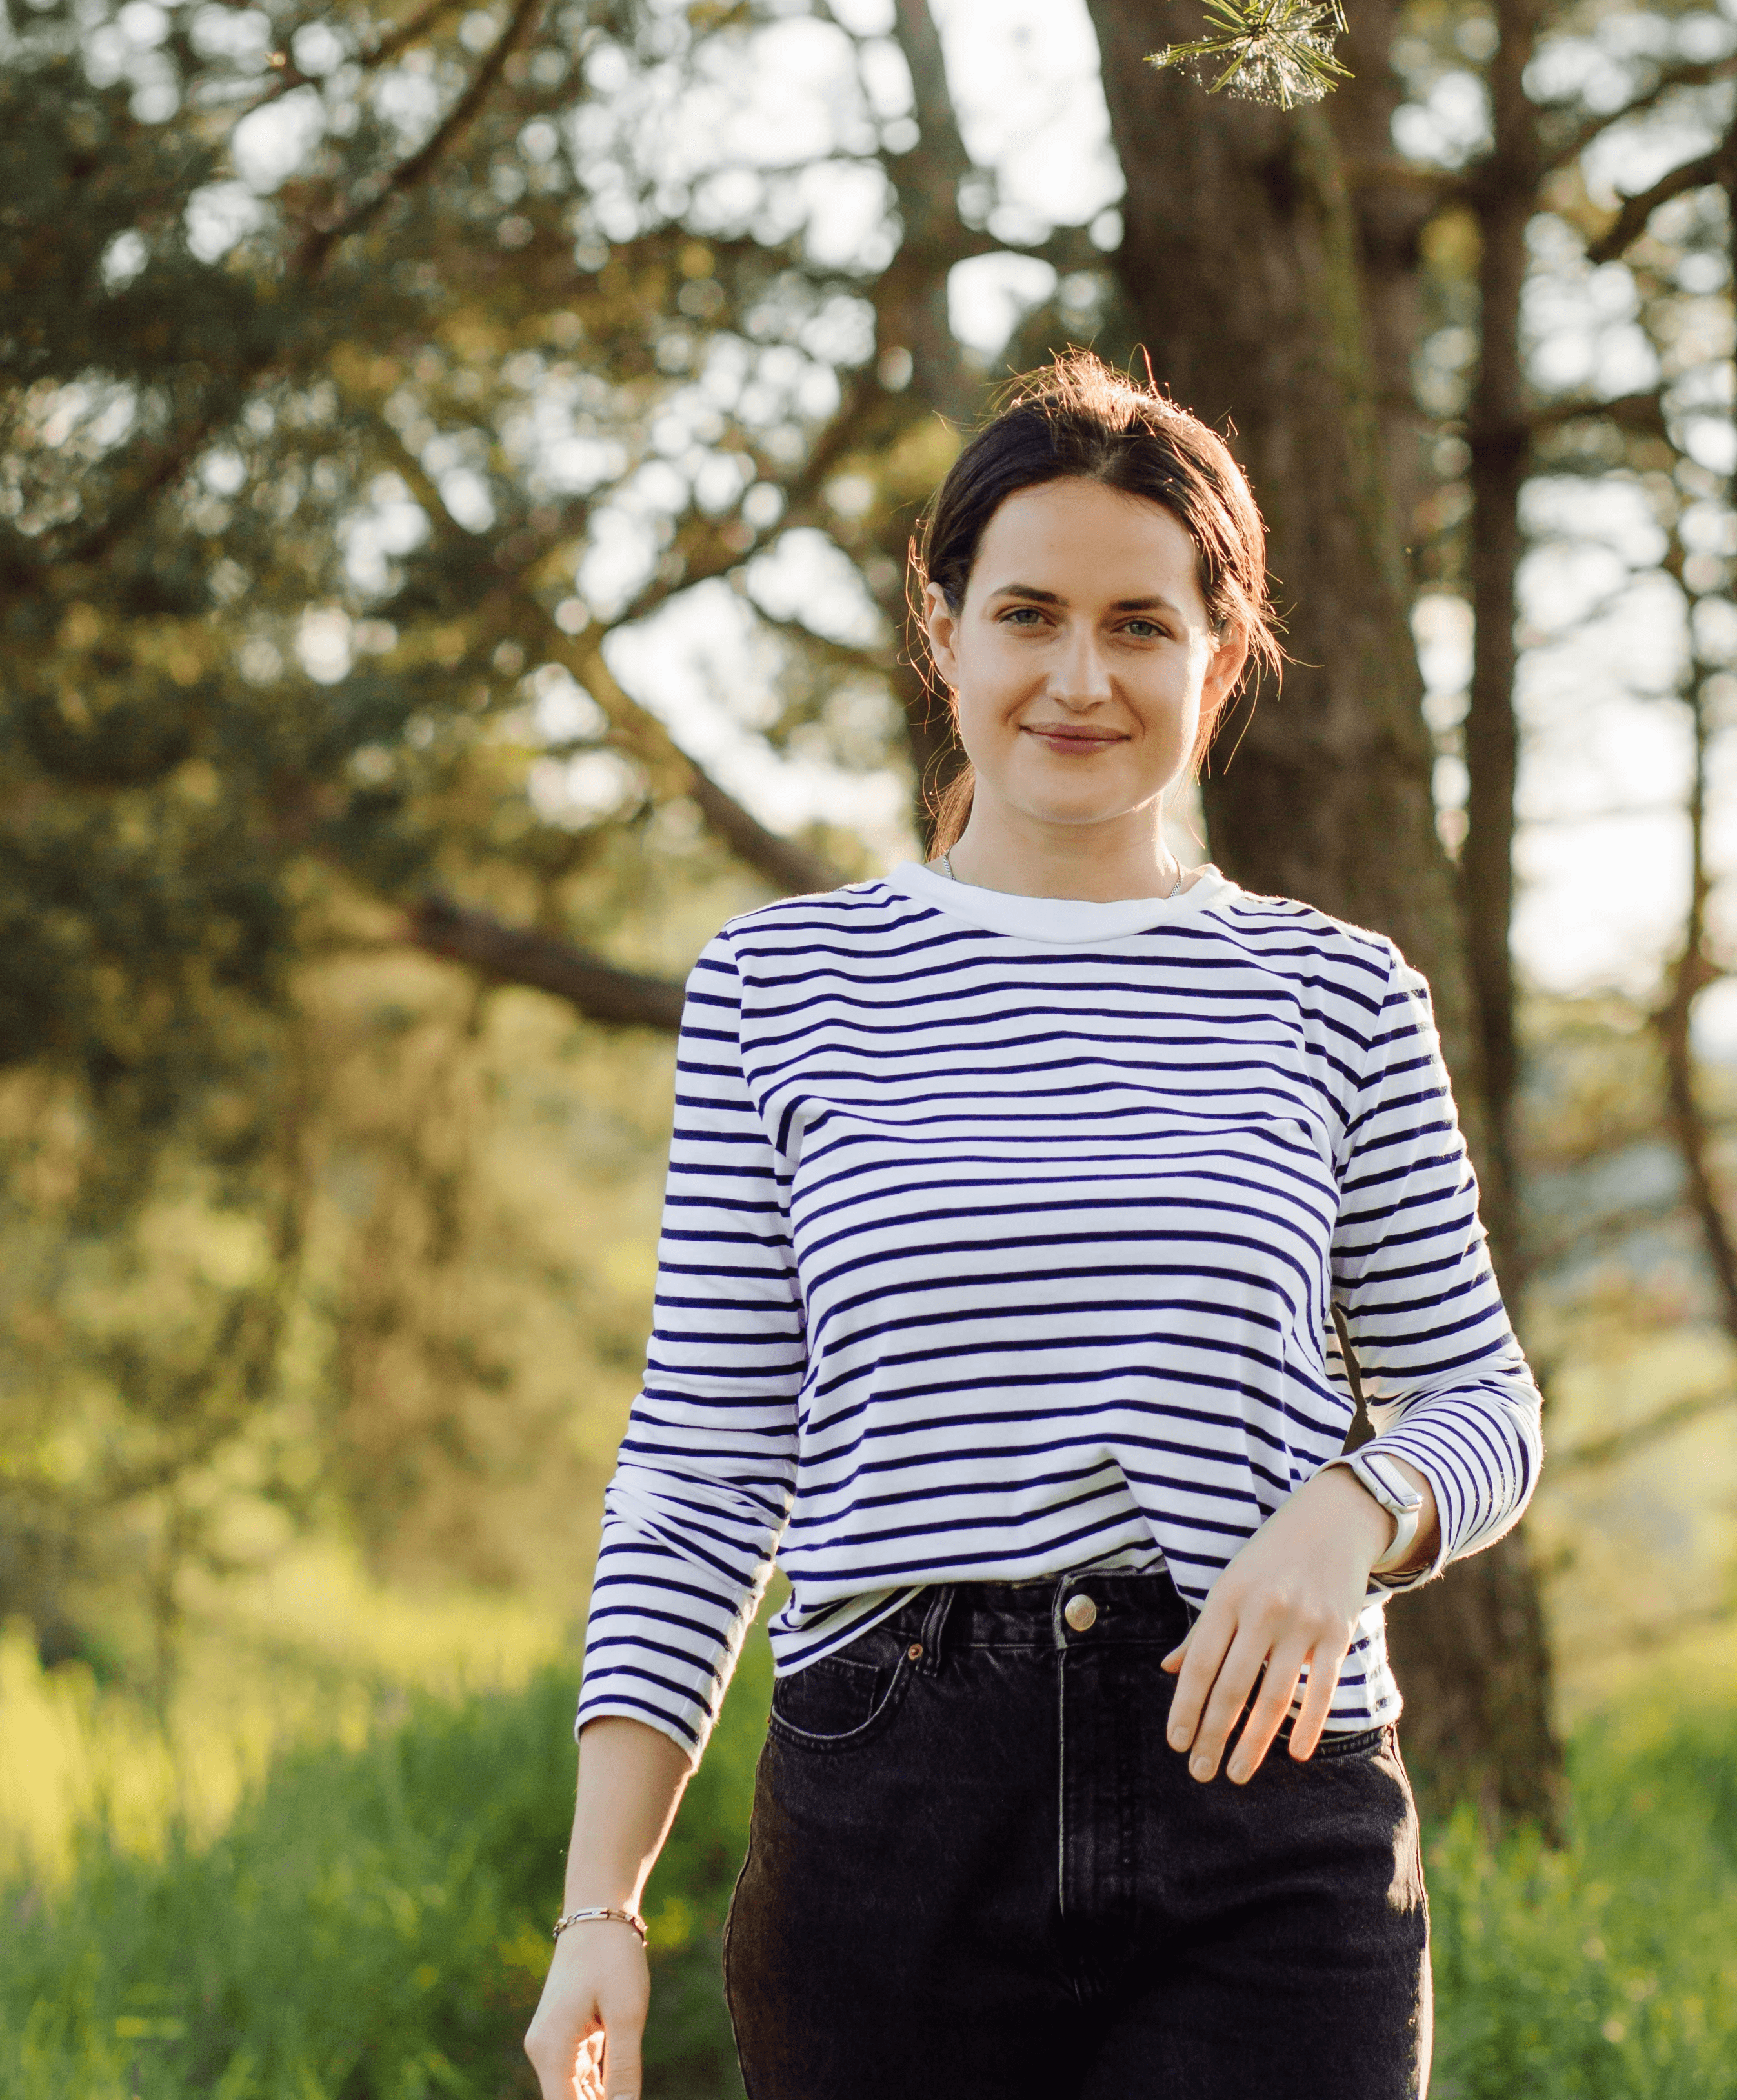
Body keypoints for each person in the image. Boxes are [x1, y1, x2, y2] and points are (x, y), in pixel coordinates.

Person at [525, 353, 1541, 2100]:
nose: (1081, 677)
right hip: (889, 1831)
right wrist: (596, 1907)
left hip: (1267, 1818)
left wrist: (1350, 1508)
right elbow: (702, 1461)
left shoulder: (1337, 993)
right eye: (1029, 614)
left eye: (1141, 624)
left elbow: (1483, 1404)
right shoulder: (782, 985)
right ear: (943, 630)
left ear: (1221, 655)